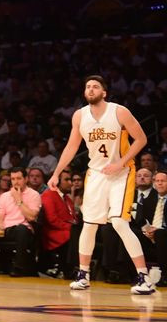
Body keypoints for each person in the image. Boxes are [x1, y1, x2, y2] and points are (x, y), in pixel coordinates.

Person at [46, 75, 158, 295]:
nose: (90, 89)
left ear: (104, 92)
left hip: (122, 173)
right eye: (87, 86)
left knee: (118, 222)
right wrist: (56, 173)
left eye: (95, 86)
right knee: (89, 224)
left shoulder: (119, 111)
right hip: (96, 173)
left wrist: (120, 163)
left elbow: (142, 139)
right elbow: (71, 146)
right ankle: (83, 275)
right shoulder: (79, 116)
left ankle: (144, 277)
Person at [40, 170, 77, 278]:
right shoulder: (48, 195)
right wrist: (72, 228)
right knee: (76, 235)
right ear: (57, 182)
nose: (71, 183)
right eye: (67, 180)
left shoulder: (67, 199)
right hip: (54, 233)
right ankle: (70, 269)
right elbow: (52, 220)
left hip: (65, 230)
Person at [138, 171, 166, 284]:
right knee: (133, 234)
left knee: (160, 234)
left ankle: (165, 275)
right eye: (157, 181)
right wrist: (146, 230)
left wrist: (158, 230)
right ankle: (135, 274)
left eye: (163, 181)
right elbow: (142, 220)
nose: (159, 183)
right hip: (150, 235)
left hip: (163, 234)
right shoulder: (148, 200)